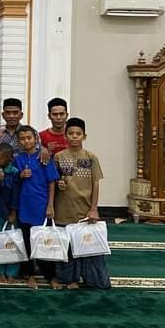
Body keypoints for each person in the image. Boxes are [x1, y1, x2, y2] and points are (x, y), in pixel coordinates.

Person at [51, 117, 110, 290]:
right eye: (71, 133)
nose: (74, 136)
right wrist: (60, 184)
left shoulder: (91, 158)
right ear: (65, 136)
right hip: (64, 209)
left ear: (84, 136)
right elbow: (54, 181)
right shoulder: (58, 157)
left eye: (78, 133)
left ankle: (93, 279)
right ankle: (68, 279)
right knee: (67, 248)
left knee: (88, 246)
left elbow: (96, 183)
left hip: (85, 211)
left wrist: (94, 209)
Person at [12, 125, 59, 289]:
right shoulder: (17, 159)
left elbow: (51, 182)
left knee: (45, 242)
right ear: (18, 142)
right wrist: (20, 175)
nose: (26, 141)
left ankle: (50, 276)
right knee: (27, 242)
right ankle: (30, 275)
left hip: (42, 206)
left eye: (29, 138)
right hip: (24, 206)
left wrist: (50, 205)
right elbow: (13, 181)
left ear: (35, 139)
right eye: (22, 139)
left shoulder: (44, 157)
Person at [0, 143, 20, 282]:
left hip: (10, 211)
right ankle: (0, 271)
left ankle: (12, 272)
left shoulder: (14, 172)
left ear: (9, 158)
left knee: (12, 241)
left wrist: (13, 212)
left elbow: (16, 193)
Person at [0, 98, 48, 163]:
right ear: (3, 115)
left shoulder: (30, 132)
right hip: (2, 169)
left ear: (21, 115)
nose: (11, 116)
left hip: (25, 168)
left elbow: (37, 152)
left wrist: (43, 149)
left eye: (15, 113)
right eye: (8, 113)